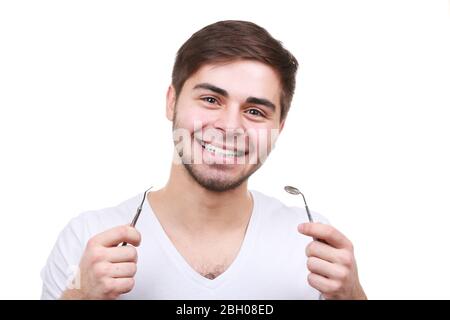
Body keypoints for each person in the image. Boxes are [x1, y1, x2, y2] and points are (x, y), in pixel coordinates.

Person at [41, 20, 367, 300]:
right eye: (211, 99)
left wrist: (353, 295)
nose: (229, 127)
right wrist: (81, 295)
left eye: (255, 111)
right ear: (172, 102)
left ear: (278, 127)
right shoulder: (87, 238)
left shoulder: (316, 246)